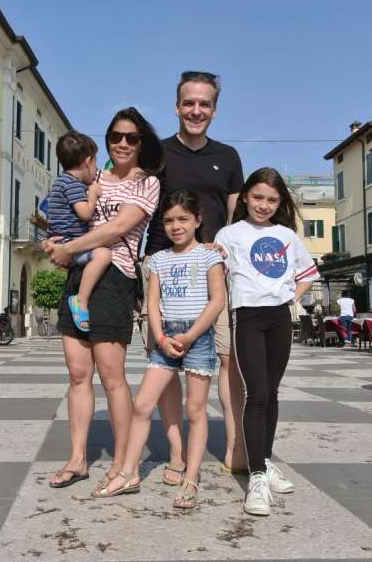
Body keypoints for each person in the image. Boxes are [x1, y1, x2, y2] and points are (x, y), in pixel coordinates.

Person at [44, 107, 163, 490]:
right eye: (115, 136)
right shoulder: (92, 176)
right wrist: (55, 242)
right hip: (79, 274)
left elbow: (117, 228)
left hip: (115, 279)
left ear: (141, 142)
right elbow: (63, 210)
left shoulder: (147, 183)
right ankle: (78, 458)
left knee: (112, 378)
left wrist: (70, 247)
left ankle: (123, 462)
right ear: (107, 140)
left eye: (131, 137)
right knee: (78, 374)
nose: (122, 143)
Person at [144, 70, 246, 485]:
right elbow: (134, 202)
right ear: (177, 106)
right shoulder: (158, 154)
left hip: (214, 270)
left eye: (205, 103)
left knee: (227, 359)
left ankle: (235, 445)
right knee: (166, 361)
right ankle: (176, 451)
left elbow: (237, 216)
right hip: (162, 267)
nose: (196, 110)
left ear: (215, 109)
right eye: (189, 102)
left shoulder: (229, 156)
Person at [93, 190, 225, 509]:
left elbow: (217, 300)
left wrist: (191, 335)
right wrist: (162, 338)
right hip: (165, 337)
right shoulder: (158, 260)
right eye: (168, 221)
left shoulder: (210, 256)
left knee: (195, 410)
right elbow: (152, 303)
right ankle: (129, 473)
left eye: (183, 219)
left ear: (198, 220)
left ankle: (191, 477)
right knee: (142, 405)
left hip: (198, 336)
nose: (176, 226)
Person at [215, 167, 319, 516]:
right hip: (247, 317)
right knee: (256, 394)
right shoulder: (229, 234)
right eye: (258, 197)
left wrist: (292, 298)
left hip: (279, 318)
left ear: (280, 202)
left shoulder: (286, 235)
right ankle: (256, 476)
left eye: (272, 200)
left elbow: (307, 273)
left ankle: (264, 459)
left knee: (272, 393)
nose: (264, 205)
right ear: (245, 196)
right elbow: (216, 276)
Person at [47, 130, 112, 332]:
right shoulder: (74, 184)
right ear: (88, 161)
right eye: (96, 162)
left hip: (60, 240)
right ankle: (81, 301)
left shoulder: (61, 181)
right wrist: (92, 194)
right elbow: (85, 213)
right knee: (103, 254)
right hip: (69, 244)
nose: (96, 169)